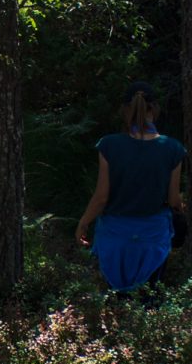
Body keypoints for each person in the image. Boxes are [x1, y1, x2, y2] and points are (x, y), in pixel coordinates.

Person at [75, 81, 185, 292]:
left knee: (116, 301)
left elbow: (101, 198)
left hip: (114, 237)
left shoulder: (109, 145)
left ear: (125, 110)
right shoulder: (173, 148)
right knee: (149, 300)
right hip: (153, 237)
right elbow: (173, 201)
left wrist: (83, 222)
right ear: (155, 109)